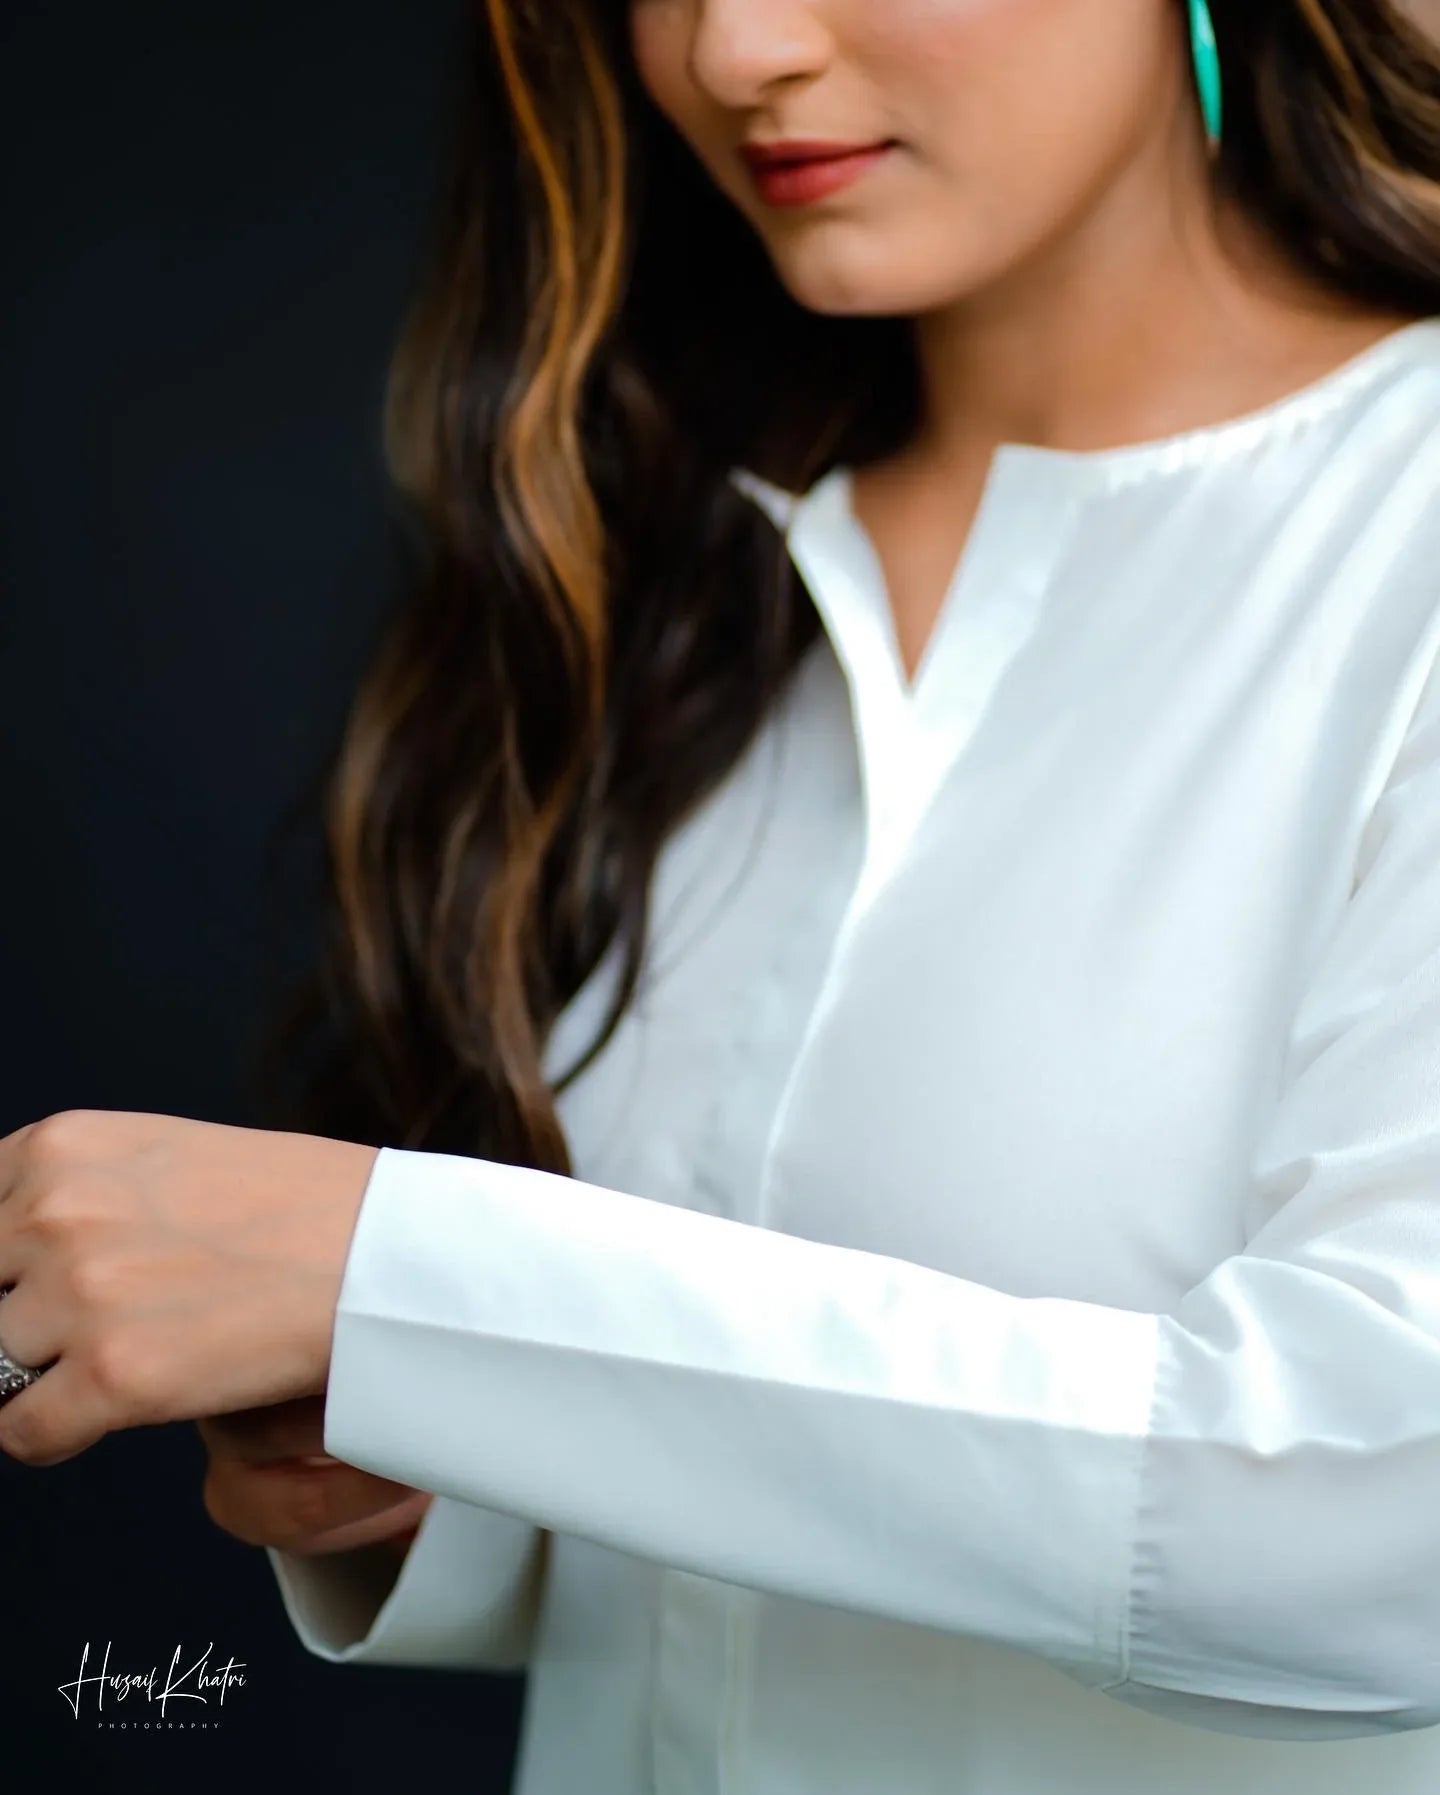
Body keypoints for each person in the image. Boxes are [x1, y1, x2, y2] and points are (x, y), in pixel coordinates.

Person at [3, 0, 1440, 1788]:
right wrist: (415, 1452)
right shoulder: (657, 549)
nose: (731, 50)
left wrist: (413, 1290)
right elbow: (706, 1516)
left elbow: (1384, 1522)